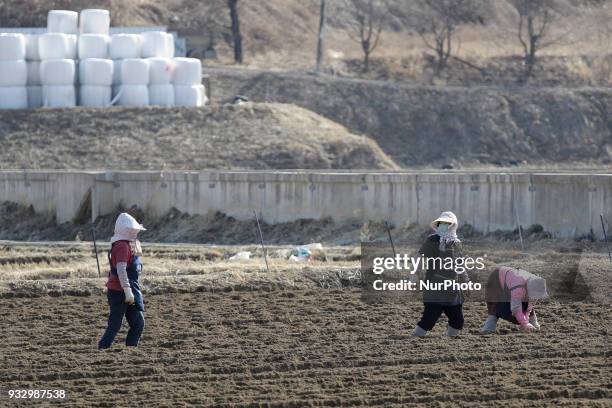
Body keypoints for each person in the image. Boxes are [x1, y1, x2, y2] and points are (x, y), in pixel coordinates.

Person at [411, 211, 469, 337]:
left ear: (453, 226)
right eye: (441, 223)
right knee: (428, 321)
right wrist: (415, 274)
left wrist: (466, 281)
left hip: (452, 289)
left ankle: (450, 342)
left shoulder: (457, 244)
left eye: (447, 223)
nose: (444, 226)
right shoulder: (432, 240)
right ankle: (414, 338)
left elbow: (460, 265)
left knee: (458, 321)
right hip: (434, 287)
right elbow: (419, 257)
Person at [98, 213, 146, 349]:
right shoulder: (122, 247)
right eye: (133, 229)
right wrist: (127, 290)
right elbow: (121, 270)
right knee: (115, 324)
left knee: (138, 323)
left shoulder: (130, 245)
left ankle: (131, 351)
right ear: (126, 230)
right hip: (119, 292)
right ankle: (102, 348)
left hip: (129, 290)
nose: (136, 232)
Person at [480, 266, 548, 334]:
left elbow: (529, 306)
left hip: (511, 280)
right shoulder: (518, 287)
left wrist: (525, 322)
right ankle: (488, 328)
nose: (536, 298)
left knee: (524, 305)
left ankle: (533, 325)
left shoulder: (536, 284)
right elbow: (516, 309)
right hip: (497, 278)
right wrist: (524, 323)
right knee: (494, 304)